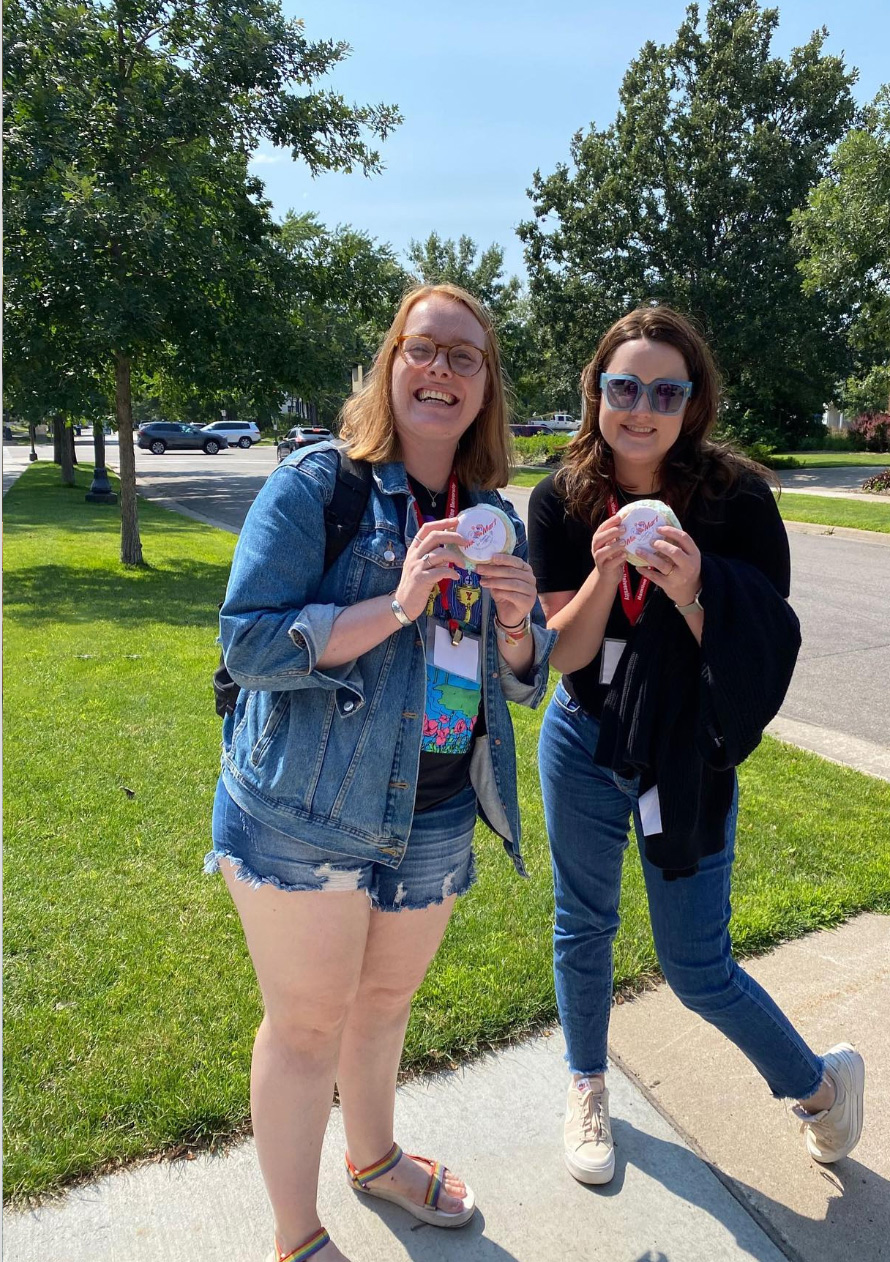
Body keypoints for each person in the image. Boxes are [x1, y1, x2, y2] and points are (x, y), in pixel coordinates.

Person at [208, 283, 553, 1262]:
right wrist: (400, 603)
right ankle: (297, 1235)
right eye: (422, 348)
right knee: (306, 1026)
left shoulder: (492, 517)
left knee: (385, 1006)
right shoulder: (321, 485)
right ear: (391, 364)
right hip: (306, 809)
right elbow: (249, 645)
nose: (441, 369)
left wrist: (518, 623)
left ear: (486, 387)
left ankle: (375, 1158)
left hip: (436, 812)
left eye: (464, 356)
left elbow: (518, 681)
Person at [528, 305, 864, 1187]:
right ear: (597, 392)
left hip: (684, 752)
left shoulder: (735, 497)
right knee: (582, 924)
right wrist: (605, 571)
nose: (641, 408)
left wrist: (692, 588)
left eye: (665, 393)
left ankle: (822, 1088)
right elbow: (562, 652)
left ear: (692, 402)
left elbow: (764, 643)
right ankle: (587, 1086)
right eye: (624, 387)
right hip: (582, 737)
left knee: (697, 968)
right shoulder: (561, 498)